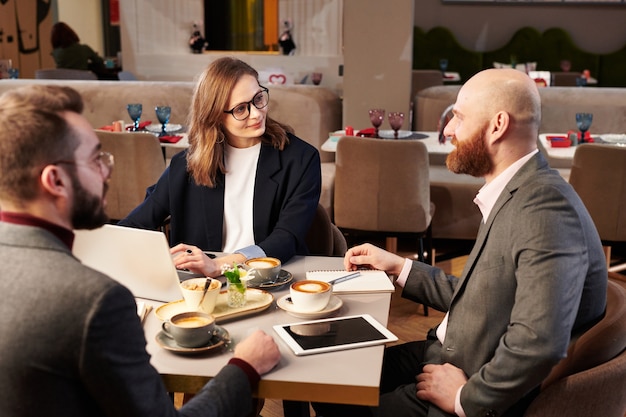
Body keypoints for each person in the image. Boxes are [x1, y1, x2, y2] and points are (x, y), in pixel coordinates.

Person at [313, 68, 608, 417]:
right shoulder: (519, 192)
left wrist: (465, 399)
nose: (448, 130)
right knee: (327, 380)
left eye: (458, 116)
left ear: (497, 126)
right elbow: (484, 295)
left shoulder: (545, 208)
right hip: (448, 354)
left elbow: (539, 343)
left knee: (334, 394)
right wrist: (400, 266)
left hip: (470, 378)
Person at [0, 84, 281, 416]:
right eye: (96, 159)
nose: (107, 171)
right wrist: (244, 367)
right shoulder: (97, 301)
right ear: (55, 181)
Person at [119, 57, 321, 277]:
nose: (256, 113)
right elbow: (133, 226)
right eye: (241, 109)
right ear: (214, 116)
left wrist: (220, 265)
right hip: (202, 286)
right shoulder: (185, 165)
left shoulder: (302, 159)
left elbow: (286, 237)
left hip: (272, 279)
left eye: (258, 98)